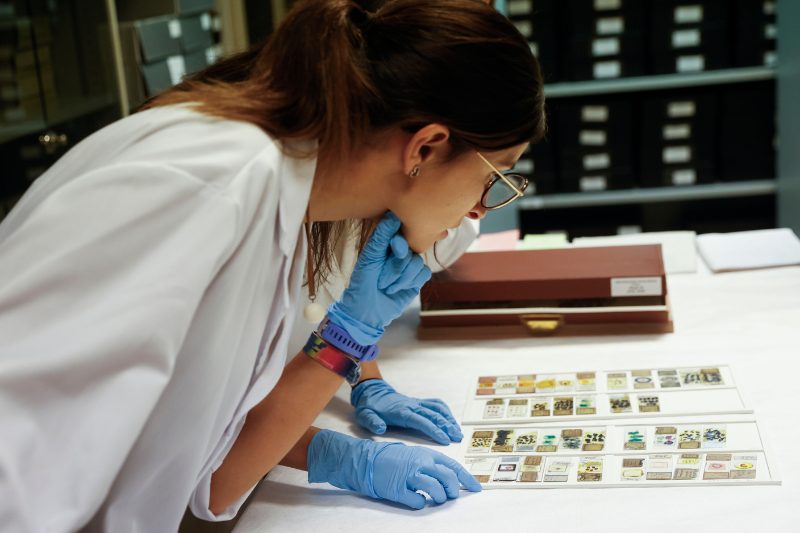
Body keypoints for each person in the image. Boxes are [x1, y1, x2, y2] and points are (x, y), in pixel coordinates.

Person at [0, 0, 545, 531]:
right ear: (425, 147)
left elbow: (215, 476)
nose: (481, 209)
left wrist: (348, 339)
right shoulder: (213, 183)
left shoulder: (293, 204)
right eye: (495, 177)